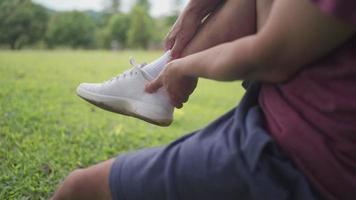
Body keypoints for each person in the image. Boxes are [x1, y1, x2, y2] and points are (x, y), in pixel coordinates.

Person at [52, 0, 356, 199]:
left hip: (302, 157)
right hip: (279, 119)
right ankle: (156, 85)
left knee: (78, 189)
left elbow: (271, 57)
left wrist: (183, 67)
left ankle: (156, 83)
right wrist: (196, 8)